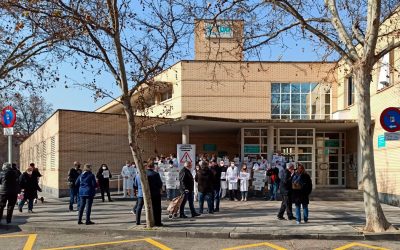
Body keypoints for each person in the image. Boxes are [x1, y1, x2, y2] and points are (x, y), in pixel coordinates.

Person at [146, 161, 163, 226]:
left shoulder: (144, 173)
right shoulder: (155, 174)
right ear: (153, 167)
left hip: (147, 193)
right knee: (157, 208)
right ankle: (157, 222)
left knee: (149, 208)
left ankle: (150, 221)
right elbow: (160, 184)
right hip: (155, 193)